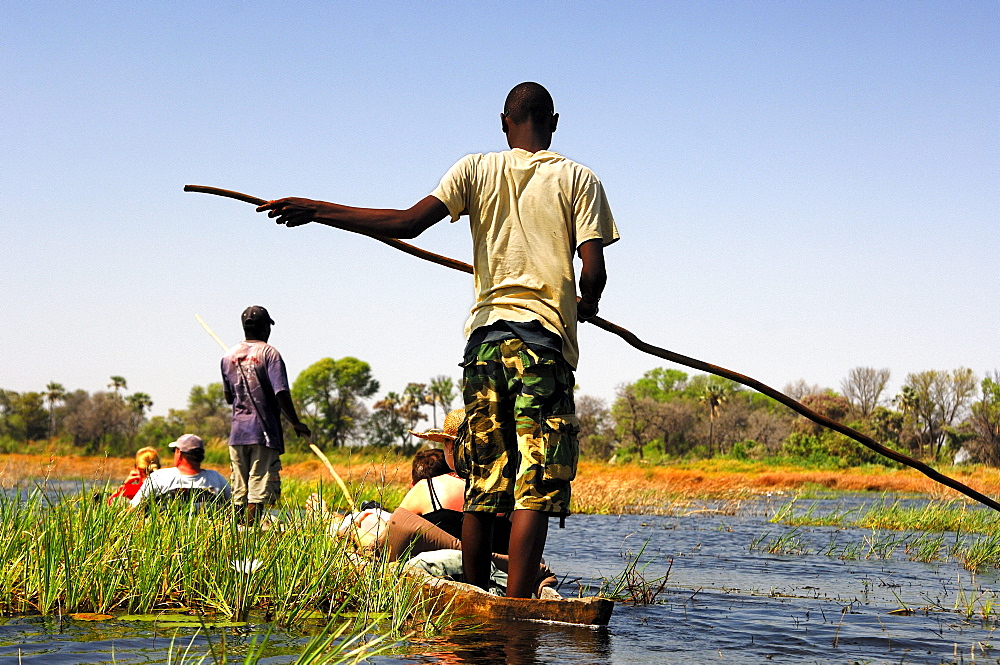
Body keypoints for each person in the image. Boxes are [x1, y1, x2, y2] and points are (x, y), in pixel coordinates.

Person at [258, 82, 618, 597]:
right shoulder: (580, 180)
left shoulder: (474, 169)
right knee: (533, 484)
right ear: (554, 122)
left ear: (503, 122)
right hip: (542, 347)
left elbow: (406, 224)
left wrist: (319, 208)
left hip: (486, 344)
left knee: (486, 481)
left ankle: (476, 596)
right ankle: (514, 604)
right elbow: (594, 269)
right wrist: (587, 305)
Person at [221, 305, 311, 525]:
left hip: (237, 434)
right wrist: (296, 423)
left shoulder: (228, 356)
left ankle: (236, 533)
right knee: (257, 491)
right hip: (263, 433)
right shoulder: (269, 354)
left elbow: (228, 397)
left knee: (239, 491)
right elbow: (281, 392)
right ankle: (250, 538)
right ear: (264, 328)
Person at [129, 434, 231, 508]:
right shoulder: (216, 478)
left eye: (174, 451)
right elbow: (233, 507)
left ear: (179, 453)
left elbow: (132, 510)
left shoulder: (159, 477)